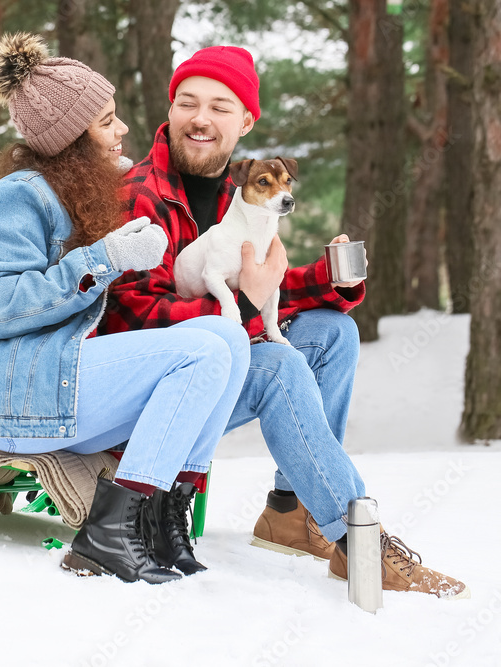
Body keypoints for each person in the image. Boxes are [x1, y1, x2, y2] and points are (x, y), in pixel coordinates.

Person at [101, 45, 467, 598]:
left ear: (246, 121)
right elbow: (133, 319)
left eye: (221, 107)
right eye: (187, 103)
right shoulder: (138, 194)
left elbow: (264, 287)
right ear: (170, 110)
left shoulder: (248, 189)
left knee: (332, 331)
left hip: (220, 361)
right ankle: (359, 540)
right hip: (152, 397)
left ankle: (292, 512)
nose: (201, 118)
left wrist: (328, 280)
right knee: (274, 364)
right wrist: (246, 306)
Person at [0, 33, 251, 584]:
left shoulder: (79, 195)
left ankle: (165, 516)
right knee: (201, 350)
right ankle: (107, 535)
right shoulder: (16, 197)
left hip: (39, 385)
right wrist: (105, 258)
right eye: (106, 121)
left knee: (229, 338)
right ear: (71, 139)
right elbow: (1, 308)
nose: (123, 130)